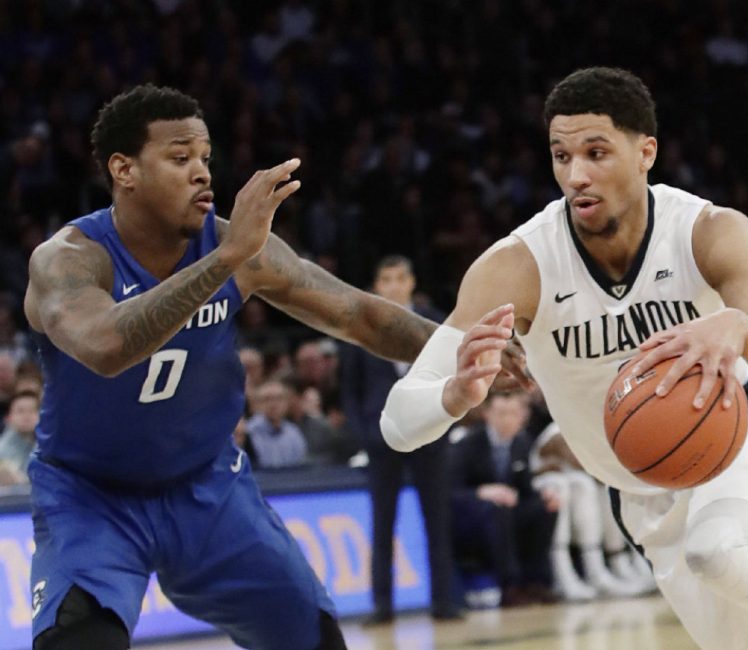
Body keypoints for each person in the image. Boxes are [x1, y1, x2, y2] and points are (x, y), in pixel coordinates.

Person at [382, 67, 748, 649]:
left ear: (646, 151)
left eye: (597, 152)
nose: (576, 175)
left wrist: (740, 326)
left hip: (743, 422)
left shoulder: (708, 233)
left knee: (721, 551)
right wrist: (454, 396)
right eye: (561, 155)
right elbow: (397, 424)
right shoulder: (517, 266)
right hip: (642, 483)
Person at [22, 84, 444, 650]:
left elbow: (361, 315)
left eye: (205, 158)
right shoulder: (69, 259)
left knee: (316, 640)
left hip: (206, 487)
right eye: (180, 158)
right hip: (92, 495)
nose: (202, 173)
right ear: (124, 169)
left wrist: (461, 349)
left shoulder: (235, 249)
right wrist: (225, 261)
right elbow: (106, 347)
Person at [340, 255, 462, 622]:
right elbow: (348, 388)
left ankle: (445, 602)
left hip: (430, 435)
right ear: (376, 286)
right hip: (381, 440)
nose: (393, 285)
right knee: (382, 523)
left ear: (411, 282)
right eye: (385, 279)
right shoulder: (360, 325)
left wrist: (447, 422)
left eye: (399, 278)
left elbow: (453, 376)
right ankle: (382, 606)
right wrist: (363, 436)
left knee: (437, 519)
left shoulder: (438, 323)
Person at [449, 391, 559, 607]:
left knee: (543, 508)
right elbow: (450, 491)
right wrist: (483, 492)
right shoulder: (467, 443)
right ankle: (510, 586)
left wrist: (544, 496)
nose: (509, 419)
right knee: (497, 510)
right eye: (502, 413)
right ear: (487, 414)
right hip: (473, 519)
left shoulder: (522, 442)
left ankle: (538, 582)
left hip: (507, 513)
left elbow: (525, 489)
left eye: (514, 413)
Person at [530, 421, 655, 600]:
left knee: (606, 486)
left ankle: (617, 563)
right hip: (545, 490)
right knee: (575, 485)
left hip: (580, 492)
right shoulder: (556, 433)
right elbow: (581, 464)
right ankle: (568, 572)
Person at [246, 378, 308, 469]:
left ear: (286, 403)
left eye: (279, 399)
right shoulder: (248, 432)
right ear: (256, 404)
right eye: (267, 399)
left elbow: (300, 466)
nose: (273, 404)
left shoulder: (294, 433)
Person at [0, 389, 39, 485]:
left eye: (32, 410)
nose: (27, 416)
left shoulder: (49, 448)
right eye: (20, 411)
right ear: (8, 418)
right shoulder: (1, 450)